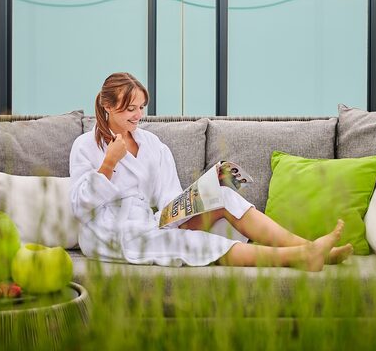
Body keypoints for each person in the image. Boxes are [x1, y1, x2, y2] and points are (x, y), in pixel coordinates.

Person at [69, 72, 353, 271]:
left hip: (148, 222)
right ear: (107, 106)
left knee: (225, 196)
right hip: (111, 233)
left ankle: (315, 249)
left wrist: (194, 201)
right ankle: (300, 256)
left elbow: (168, 196)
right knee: (194, 242)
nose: (138, 116)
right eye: (130, 108)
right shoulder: (85, 146)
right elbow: (80, 208)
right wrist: (108, 163)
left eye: (141, 107)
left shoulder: (151, 143)